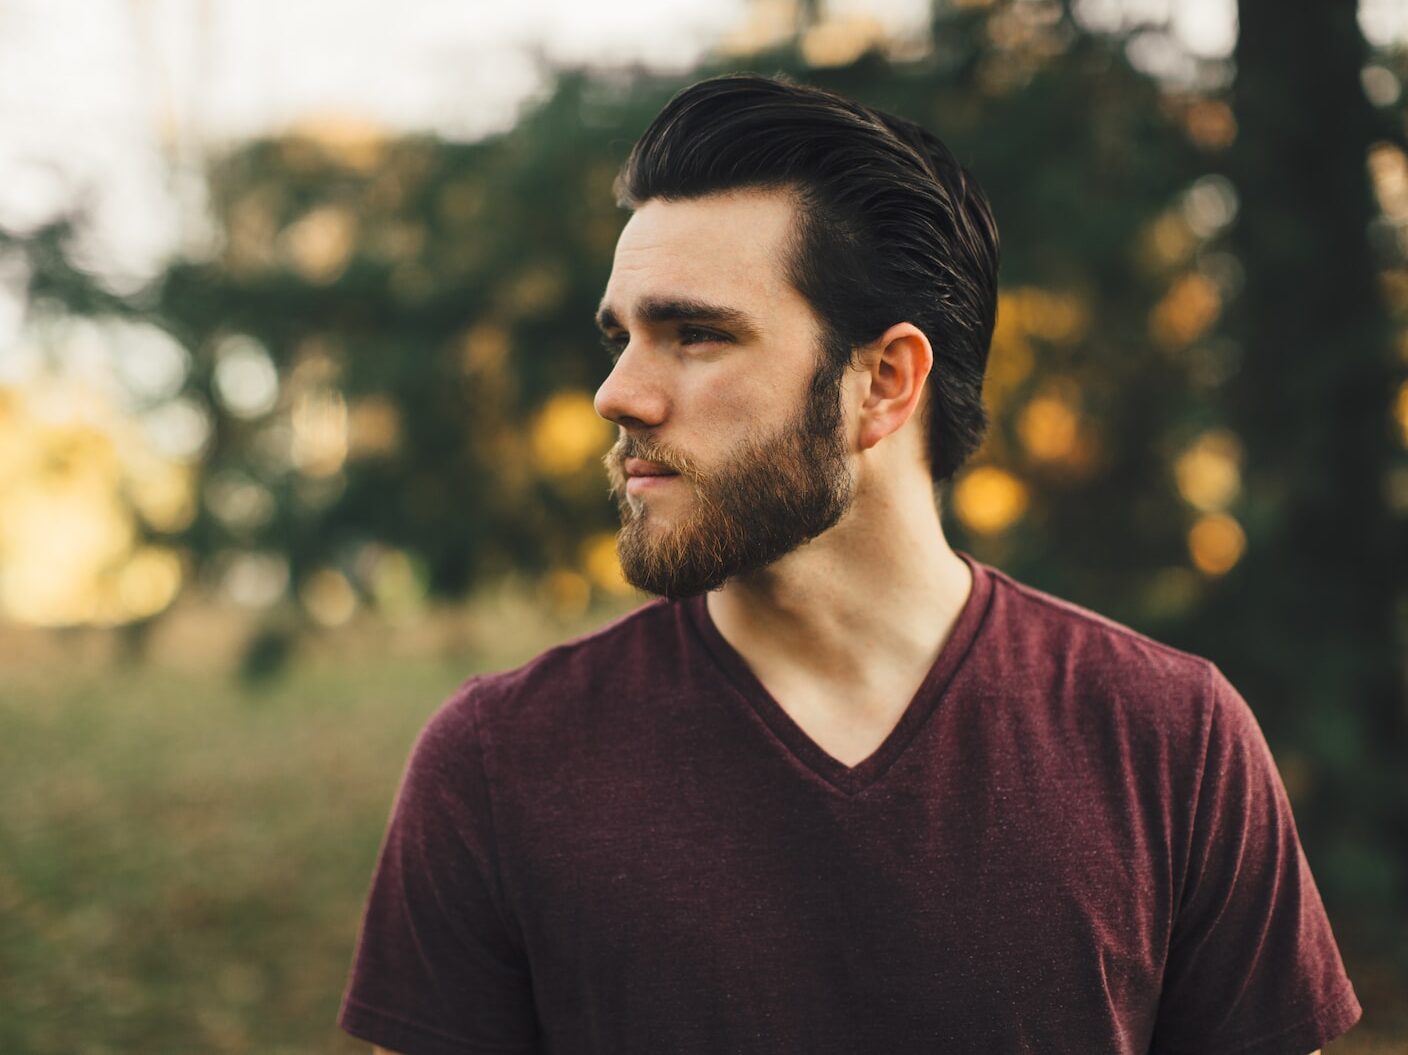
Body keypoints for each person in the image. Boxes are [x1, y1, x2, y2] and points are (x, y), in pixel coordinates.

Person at [337, 73, 1361, 1054]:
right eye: (622, 336)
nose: (618, 393)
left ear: (881, 381)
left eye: (695, 334)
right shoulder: (500, 761)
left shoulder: (1170, 739)